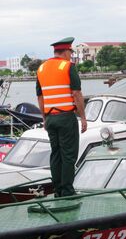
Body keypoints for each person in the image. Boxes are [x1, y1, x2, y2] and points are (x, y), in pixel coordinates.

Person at [36, 37, 87, 197]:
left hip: (50, 117)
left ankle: (58, 190)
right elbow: (77, 93)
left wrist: (44, 118)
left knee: (55, 154)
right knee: (68, 155)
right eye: (70, 53)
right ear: (66, 51)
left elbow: (40, 96)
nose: (70, 56)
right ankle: (67, 191)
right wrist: (83, 117)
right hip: (66, 117)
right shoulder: (68, 66)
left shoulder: (42, 68)